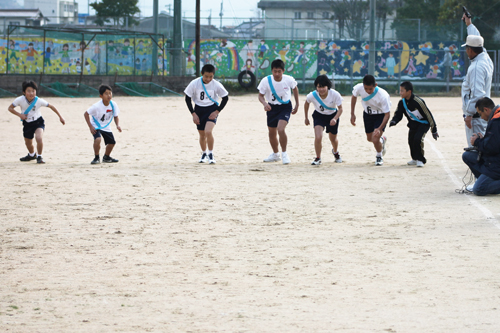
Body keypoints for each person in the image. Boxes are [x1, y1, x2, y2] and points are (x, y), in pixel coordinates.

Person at [8, 80, 65, 164]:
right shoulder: (20, 100)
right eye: (28, 91)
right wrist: (20, 115)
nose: (31, 93)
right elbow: (10, 108)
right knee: (28, 142)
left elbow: (51, 106)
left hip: (38, 121)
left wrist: (60, 117)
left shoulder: (39, 100)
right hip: (27, 123)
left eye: (33, 91)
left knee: (39, 138)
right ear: (24, 92)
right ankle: (32, 155)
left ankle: (39, 156)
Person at [184, 64, 229, 164]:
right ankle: (204, 153)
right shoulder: (194, 83)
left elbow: (225, 97)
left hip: (211, 109)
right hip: (199, 110)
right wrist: (193, 114)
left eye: (211, 77)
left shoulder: (216, 84)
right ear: (201, 74)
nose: (208, 79)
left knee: (208, 131)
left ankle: (211, 154)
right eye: (206, 76)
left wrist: (217, 111)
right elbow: (187, 98)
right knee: (202, 135)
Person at [258, 59, 299, 164]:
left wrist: (297, 103)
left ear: (283, 71)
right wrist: (265, 104)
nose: (277, 74)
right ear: (271, 70)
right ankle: (275, 154)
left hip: (285, 106)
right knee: (272, 133)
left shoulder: (288, 79)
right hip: (271, 107)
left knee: (281, 129)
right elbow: (260, 95)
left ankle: (284, 154)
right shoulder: (265, 81)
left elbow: (295, 88)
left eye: (279, 71)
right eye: (275, 71)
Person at [461, 13, 494, 147]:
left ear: (471, 50)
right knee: (482, 143)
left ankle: (480, 168)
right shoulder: (484, 56)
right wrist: (469, 24)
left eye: (467, 49)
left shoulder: (476, 67)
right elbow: (478, 38)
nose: (466, 51)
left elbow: (477, 94)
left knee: (475, 147)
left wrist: (468, 115)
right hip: (481, 115)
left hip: (475, 117)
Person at [389, 81, 439, 167]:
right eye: (400, 90)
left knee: (417, 139)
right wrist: (394, 121)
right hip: (413, 124)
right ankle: (414, 158)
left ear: (409, 91)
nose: (400, 93)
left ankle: (420, 159)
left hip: (423, 124)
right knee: (411, 141)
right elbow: (398, 114)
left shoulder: (418, 102)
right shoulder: (402, 103)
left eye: (402, 91)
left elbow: (428, 115)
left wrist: (434, 130)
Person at [462, 97, 500, 196]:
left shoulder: (496, 121)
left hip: (496, 164)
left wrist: (477, 142)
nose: (481, 117)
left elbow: (491, 148)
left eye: (480, 113)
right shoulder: (496, 117)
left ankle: (485, 183)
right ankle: (484, 180)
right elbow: (494, 142)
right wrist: (484, 139)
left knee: (479, 189)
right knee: (467, 156)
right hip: (495, 159)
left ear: (486, 110)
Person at [350, 74, 391, 166]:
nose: (368, 91)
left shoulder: (383, 96)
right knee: (370, 139)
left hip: (380, 116)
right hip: (367, 115)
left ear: (375, 85)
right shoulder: (359, 87)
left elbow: (387, 114)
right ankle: (382, 140)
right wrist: (352, 114)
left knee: (375, 138)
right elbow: (354, 97)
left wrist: (379, 128)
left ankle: (379, 156)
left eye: (370, 89)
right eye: (366, 88)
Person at [304, 74, 343, 165]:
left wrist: (335, 119)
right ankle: (318, 158)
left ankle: (336, 152)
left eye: (323, 87)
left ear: (327, 86)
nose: (321, 89)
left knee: (333, 138)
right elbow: (306, 103)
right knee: (318, 137)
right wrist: (306, 117)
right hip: (319, 116)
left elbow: (340, 109)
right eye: (319, 87)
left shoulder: (334, 94)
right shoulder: (312, 95)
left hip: (332, 116)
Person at [84, 84, 122, 165]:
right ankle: (96, 157)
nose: (109, 95)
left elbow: (116, 116)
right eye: (106, 93)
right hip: (96, 125)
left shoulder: (113, 104)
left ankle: (106, 157)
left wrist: (117, 125)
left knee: (112, 143)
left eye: (110, 93)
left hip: (106, 126)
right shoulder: (96, 106)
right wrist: (90, 126)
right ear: (101, 96)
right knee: (98, 139)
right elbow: (86, 114)